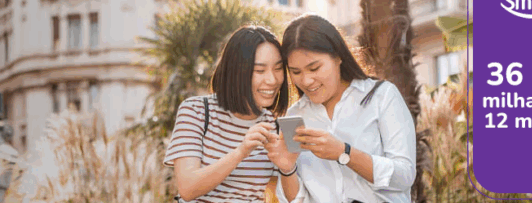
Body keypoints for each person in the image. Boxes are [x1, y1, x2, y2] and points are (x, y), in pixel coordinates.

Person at [273, 14, 417, 203]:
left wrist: (345, 153)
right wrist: (287, 168)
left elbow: (404, 176)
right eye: (296, 72)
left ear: (338, 56)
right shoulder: (295, 116)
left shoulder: (381, 96)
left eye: (314, 68)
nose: (306, 81)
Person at [163, 25, 291, 202]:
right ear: (236, 71)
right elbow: (187, 188)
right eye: (260, 71)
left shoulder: (276, 127)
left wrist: (287, 167)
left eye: (278, 69)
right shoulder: (196, 111)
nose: (272, 80)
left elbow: (285, 196)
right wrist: (241, 151)